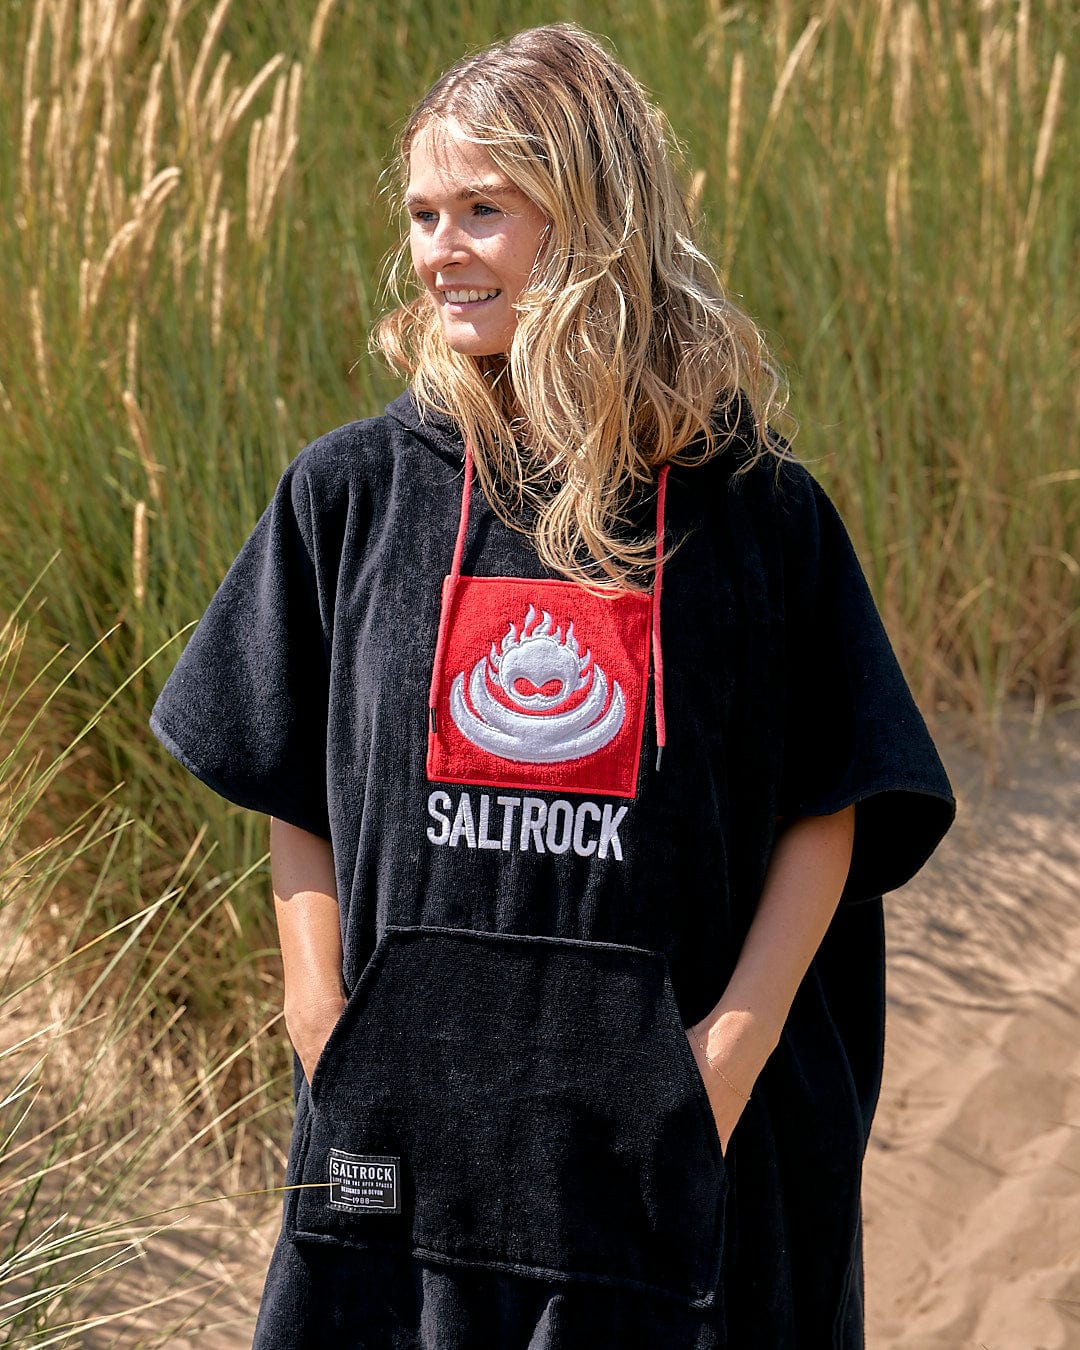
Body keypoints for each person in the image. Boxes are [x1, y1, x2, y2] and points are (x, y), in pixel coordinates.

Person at [149, 22, 955, 1347]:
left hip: (667, 1155)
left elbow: (834, 800)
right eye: (422, 212)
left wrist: (716, 1074)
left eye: (484, 210)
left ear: (592, 221)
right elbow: (287, 768)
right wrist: (322, 1021)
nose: (440, 247)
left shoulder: (755, 515)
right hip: (408, 1141)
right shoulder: (351, 495)